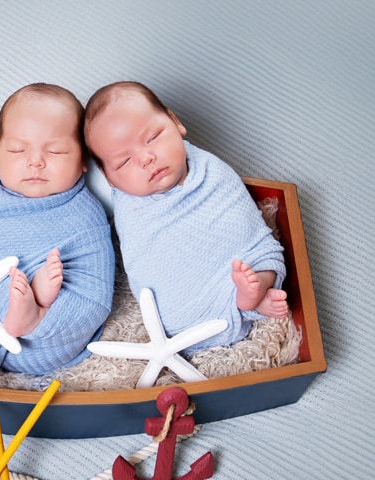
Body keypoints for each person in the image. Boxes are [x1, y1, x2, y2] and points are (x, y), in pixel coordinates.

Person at [84, 81, 288, 355]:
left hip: (238, 265)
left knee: (265, 257)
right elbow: (148, 264)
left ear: (175, 121)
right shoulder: (131, 212)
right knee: (172, 308)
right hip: (189, 309)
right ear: (109, 175)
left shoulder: (211, 171)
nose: (146, 158)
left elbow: (245, 227)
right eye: (123, 162)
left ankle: (253, 293)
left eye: (153, 137)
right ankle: (247, 303)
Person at [0, 83, 115, 374]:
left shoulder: (86, 213)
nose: (35, 161)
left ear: (84, 159)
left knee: (89, 304)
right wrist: (2, 300)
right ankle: (23, 306)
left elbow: (96, 290)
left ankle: (37, 314)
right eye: (17, 149)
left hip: (47, 342)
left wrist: (46, 310)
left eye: (56, 150)